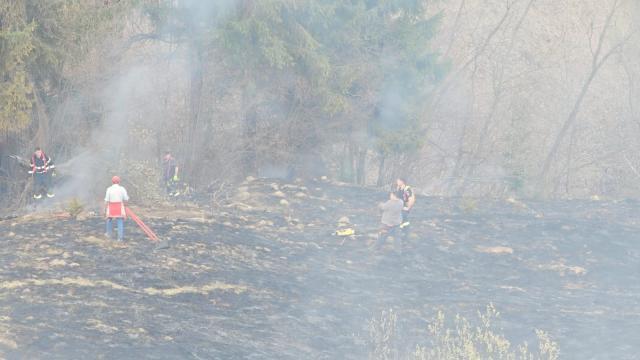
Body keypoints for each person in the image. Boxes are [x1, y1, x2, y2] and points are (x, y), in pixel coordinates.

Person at [104, 176, 129, 241]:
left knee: (109, 219)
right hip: (119, 207)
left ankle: (109, 234)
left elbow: (106, 200)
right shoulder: (122, 189)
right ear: (119, 182)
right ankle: (120, 238)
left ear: (112, 182)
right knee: (120, 221)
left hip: (111, 206)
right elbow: (126, 199)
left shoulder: (109, 189)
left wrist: (105, 209)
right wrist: (126, 206)